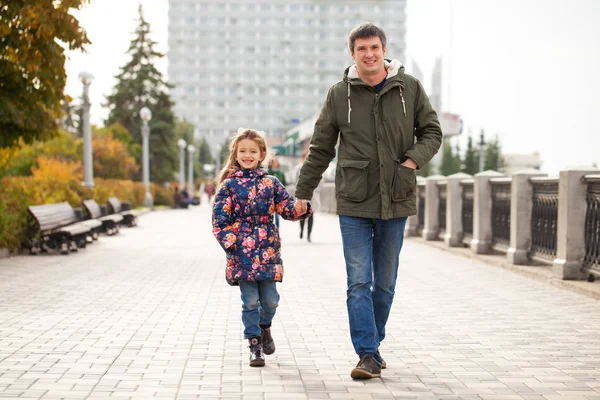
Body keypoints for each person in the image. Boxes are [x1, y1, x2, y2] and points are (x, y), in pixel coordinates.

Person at [294, 23, 442, 379]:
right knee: (358, 281)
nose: (369, 54)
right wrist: (302, 191)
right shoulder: (338, 95)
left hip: (397, 196)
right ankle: (367, 354)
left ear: (384, 49)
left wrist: (411, 161)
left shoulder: (409, 88)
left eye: (374, 47)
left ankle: (373, 346)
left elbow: (432, 131)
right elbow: (320, 149)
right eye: (361, 49)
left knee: (385, 282)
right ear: (352, 54)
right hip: (354, 200)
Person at [212, 128, 311, 367]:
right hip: (241, 255)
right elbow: (219, 220)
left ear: (261, 154)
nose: (247, 155)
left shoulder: (271, 183)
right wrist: (230, 243)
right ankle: (254, 345)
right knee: (250, 302)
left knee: (270, 301)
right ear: (235, 154)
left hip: (267, 252)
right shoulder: (228, 186)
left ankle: (265, 327)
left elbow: (287, 209)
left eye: (252, 151)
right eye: (243, 151)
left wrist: (301, 207)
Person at [294, 149, 319, 242]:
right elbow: (295, 180)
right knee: (302, 215)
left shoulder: (315, 169)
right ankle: (301, 230)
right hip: (301, 195)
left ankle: (309, 235)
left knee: (311, 215)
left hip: (312, 196)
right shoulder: (298, 168)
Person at [267, 153, 287, 229]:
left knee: (277, 217)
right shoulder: (267, 172)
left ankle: (277, 231)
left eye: (276, 162)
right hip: (269, 198)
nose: (276, 163)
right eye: (274, 162)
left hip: (278, 198)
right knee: (270, 216)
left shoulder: (281, 173)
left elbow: (284, 184)